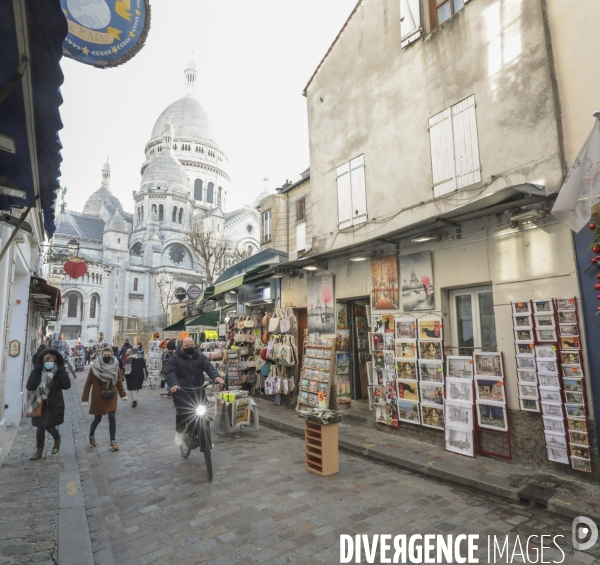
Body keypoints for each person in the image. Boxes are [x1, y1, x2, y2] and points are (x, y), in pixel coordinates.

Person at [164, 337, 224, 446]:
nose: (189, 347)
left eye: (191, 345)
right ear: (181, 347)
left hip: (198, 390)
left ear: (195, 345)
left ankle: (206, 440)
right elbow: (170, 373)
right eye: (187, 346)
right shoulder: (175, 358)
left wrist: (216, 377)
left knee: (206, 413)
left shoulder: (200, 356)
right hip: (182, 391)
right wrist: (174, 384)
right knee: (183, 413)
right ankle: (179, 432)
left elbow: (209, 367)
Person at [26, 350, 71, 460]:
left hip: (54, 403)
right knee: (40, 428)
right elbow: (30, 386)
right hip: (40, 402)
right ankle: (39, 451)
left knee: (50, 427)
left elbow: (66, 386)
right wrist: (35, 371)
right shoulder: (39, 372)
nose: (49, 363)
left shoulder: (58, 372)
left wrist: (62, 371)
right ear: (43, 362)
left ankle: (57, 439)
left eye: (52, 361)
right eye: (47, 361)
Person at [81, 346, 127, 451]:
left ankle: (113, 441)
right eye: (105, 355)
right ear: (101, 355)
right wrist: (85, 399)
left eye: (109, 355)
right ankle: (91, 436)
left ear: (112, 355)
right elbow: (88, 384)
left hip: (111, 395)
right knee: (97, 419)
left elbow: (119, 382)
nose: (107, 357)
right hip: (98, 397)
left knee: (112, 418)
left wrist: (123, 394)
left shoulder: (115, 367)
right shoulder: (95, 367)